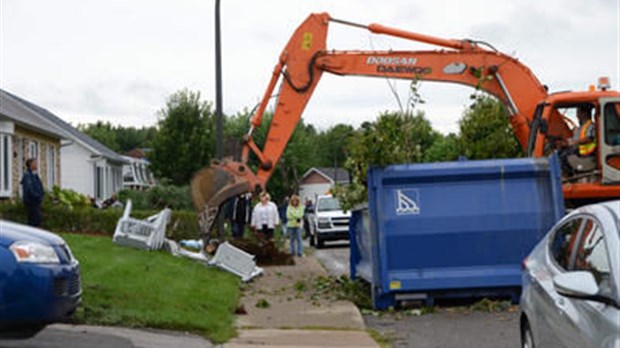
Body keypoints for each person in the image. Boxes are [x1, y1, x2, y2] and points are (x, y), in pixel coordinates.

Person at [559, 105, 597, 173]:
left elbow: (589, 138)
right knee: (560, 153)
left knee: (563, 158)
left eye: (578, 113)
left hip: (587, 155)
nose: (577, 116)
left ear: (584, 113)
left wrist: (574, 142)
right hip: (579, 152)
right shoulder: (580, 127)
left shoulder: (590, 125)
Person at [20, 158, 45, 227]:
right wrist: (37, 196)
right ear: (31, 164)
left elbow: (39, 186)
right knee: (34, 219)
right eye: (35, 163)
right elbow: (29, 189)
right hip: (31, 202)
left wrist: (42, 194)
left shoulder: (35, 175)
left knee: (37, 219)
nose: (37, 165)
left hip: (36, 202)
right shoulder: (28, 175)